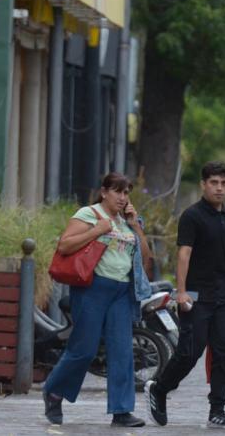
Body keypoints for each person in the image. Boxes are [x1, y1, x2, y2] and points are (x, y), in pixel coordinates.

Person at [42, 172, 153, 428]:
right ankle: (54, 391)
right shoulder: (89, 214)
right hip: (93, 288)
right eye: (118, 191)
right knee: (85, 348)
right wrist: (97, 230)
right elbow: (64, 246)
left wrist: (136, 225)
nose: (122, 197)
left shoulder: (127, 222)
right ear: (104, 192)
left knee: (122, 350)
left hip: (122, 291)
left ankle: (122, 410)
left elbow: (146, 257)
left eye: (126, 193)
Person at [145, 161, 225, 429]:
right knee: (190, 352)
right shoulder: (192, 216)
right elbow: (184, 254)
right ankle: (160, 389)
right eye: (214, 183)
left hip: (224, 297)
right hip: (197, 296)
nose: (219, 188)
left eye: (223, 183)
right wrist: (182, 292)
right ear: (203, 185)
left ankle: (218, 410)